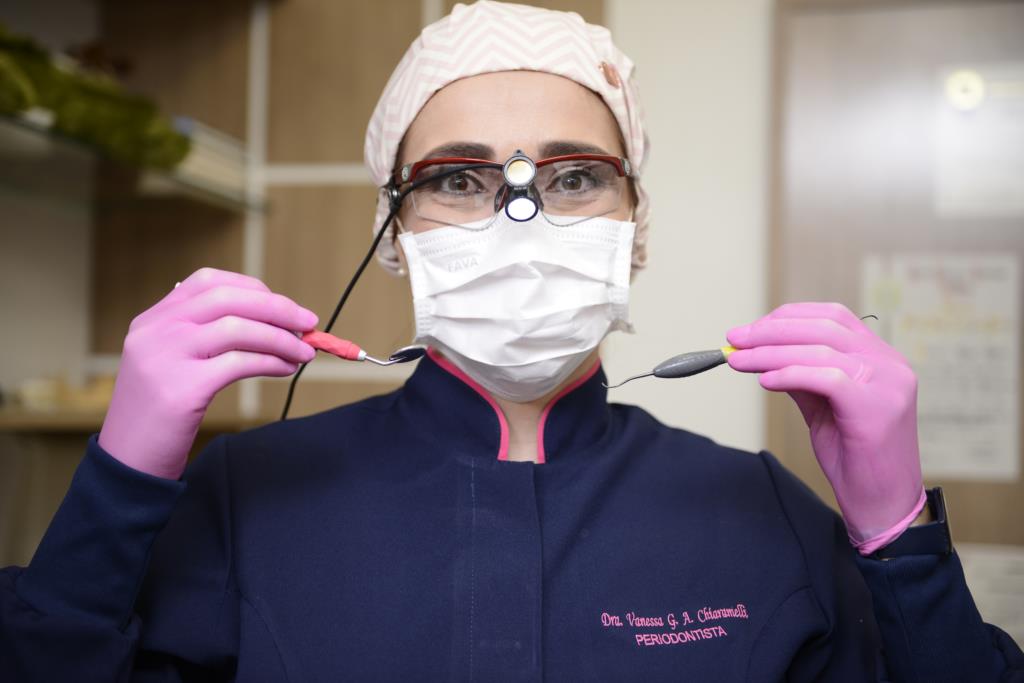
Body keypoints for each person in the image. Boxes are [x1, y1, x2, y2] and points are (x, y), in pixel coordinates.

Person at [2, 2, 1022, 681]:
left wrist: (899, 538)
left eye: (574, 176)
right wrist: (118, 483)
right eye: (457, 178)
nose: (519, 218)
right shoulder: (242, 495)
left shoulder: (760, 508)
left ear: (635, 222)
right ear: (394, 231)